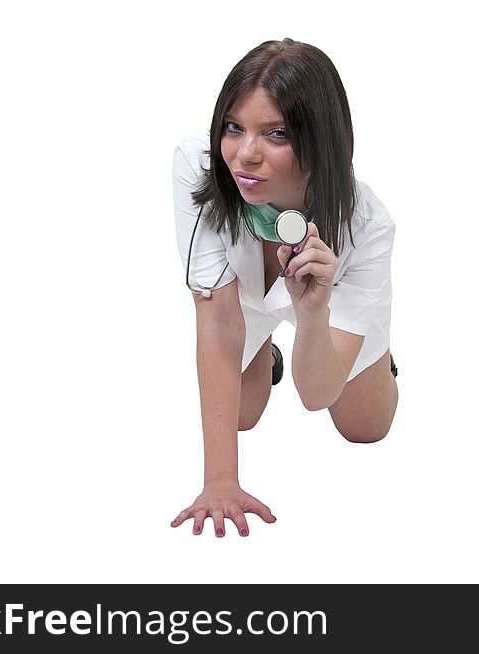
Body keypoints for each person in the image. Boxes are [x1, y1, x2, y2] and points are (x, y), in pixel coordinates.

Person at [170, 38, 398, 538]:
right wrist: (220, 481)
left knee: (366, 429)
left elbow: (316, 397)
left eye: (276, 134)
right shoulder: (199, 169)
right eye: (234, 127)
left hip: (326, 312)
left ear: (320, 140)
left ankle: (372, 352)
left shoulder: (369, 227)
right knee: (242, 417)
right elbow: (217, 319)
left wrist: (314, 316)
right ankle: (267, 351)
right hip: (241, 300)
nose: (244, 155)